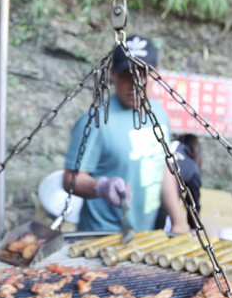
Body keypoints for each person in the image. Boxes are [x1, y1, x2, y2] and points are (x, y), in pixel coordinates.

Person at [63, 34, 186, 234]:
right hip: (100, 237)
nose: (134, 84)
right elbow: (70, 179)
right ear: (112, 75)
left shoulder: (159, 115)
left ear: (156, 75)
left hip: (142, 234)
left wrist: (178, 221)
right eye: (126, 75)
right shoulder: (95, 121)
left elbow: (162, 167)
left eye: (141, 75)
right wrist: (101, 186)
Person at [155, 134, 202, 231]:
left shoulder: (169, 147)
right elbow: (193, 203)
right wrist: (193, 227)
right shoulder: (192, 168)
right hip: (161, 207)